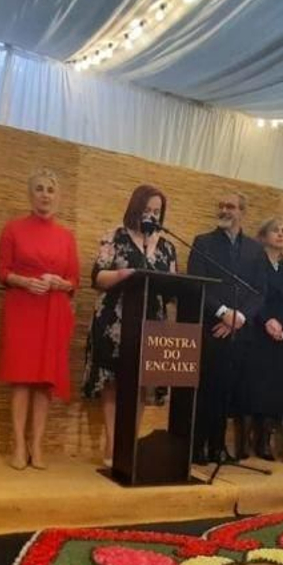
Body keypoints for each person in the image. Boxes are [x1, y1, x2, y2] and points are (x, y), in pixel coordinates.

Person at [83, 185, 177, 466]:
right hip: (115, 320)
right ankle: (113, 446)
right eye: (147, 209)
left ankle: (130, 444)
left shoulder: (166, 246)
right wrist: (125, 274)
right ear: (135, 207)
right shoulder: (115, 236)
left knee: (139, 384)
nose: (151, 214)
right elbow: (97, 277)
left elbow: (172, 289)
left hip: (151, 321)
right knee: (112, 382)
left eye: (156, 211)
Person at [0, 168, 78, 470]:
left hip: (53, 311)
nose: (45, 194)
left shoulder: (66, 237)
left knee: (44, 382)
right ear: (30, 194)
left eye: (50, 190)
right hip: (22, 308)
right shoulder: (13, 229)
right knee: (21, 379)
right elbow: (1, 271)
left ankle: (37, 444)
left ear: (58, 197)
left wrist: (59, 282)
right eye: (40, 189)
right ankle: (18, 444)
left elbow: (74, 280)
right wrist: (25, 281)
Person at [186, 191, 266, 465]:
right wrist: (222, 313)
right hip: (211, 328)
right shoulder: (203, 242)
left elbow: (259, 292)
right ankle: (197, 447)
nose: (224, 210)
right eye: (220, 205)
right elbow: (196, 284)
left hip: (239, 332)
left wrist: (239, 317)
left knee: (228, 391)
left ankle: (219, 446)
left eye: (230, 206)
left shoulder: (256, 250)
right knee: (206, 390)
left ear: (242, 212)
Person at [236, 218, 283, 460]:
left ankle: (264, 439)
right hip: (256, 331)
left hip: (280, 337)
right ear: (263, 236)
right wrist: (266, 320)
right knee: (251, 385)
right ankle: (243, 439)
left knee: (274, 389)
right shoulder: (253, 264)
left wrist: (282, 325)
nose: (280, 234)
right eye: (275, 230)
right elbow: (252, 294)